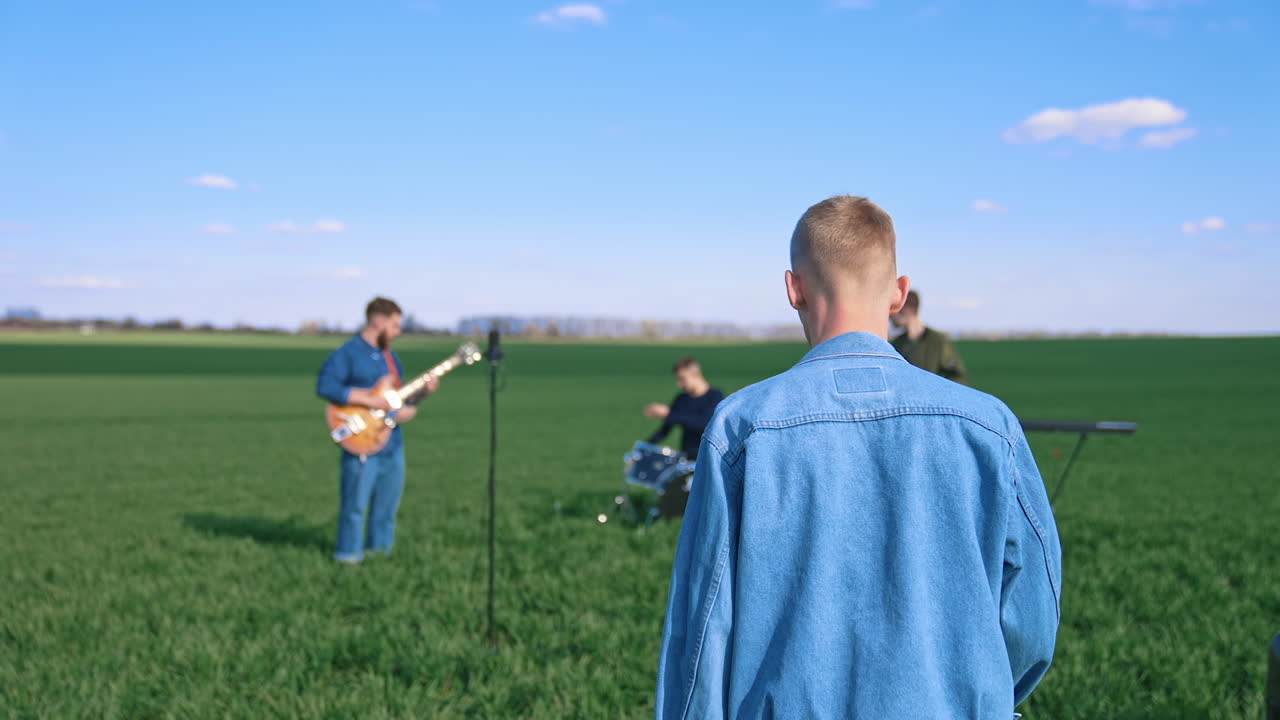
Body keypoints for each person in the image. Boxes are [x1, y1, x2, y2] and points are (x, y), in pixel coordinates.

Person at [656, 196, 1061, 718]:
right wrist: (976, 694)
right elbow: (1032, 608)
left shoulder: (743, 426)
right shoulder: (988, 425)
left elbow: (703, 624)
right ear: (898, 293)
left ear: (793, 288)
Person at [316, 297, 438, 565]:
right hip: (362, 439)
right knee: (355, 506)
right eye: (395, 325)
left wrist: (421, 396)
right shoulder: (347, 354)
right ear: (378, 321)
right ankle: (348, 557)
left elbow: (396, 402)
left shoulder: (390, 358)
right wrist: (369, 400)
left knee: (387, 505)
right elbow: (325, 386)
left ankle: (380, 557)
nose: (398, 331)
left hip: (391, 440)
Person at [644, 356, 725, 461]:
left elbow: (704, 424)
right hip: (688, 459)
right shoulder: (682, 399)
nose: (679, 384)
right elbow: (665, 429)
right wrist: (644, 447)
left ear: (695, 375)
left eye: (682, 379)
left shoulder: (715, 397)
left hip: (711, 459)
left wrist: (668, 414)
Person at [890, 289, 969, 384]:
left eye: (894, 309)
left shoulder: (938, 341)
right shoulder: (897, 343)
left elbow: (957, 376)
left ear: (906, 310)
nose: (890, 316)